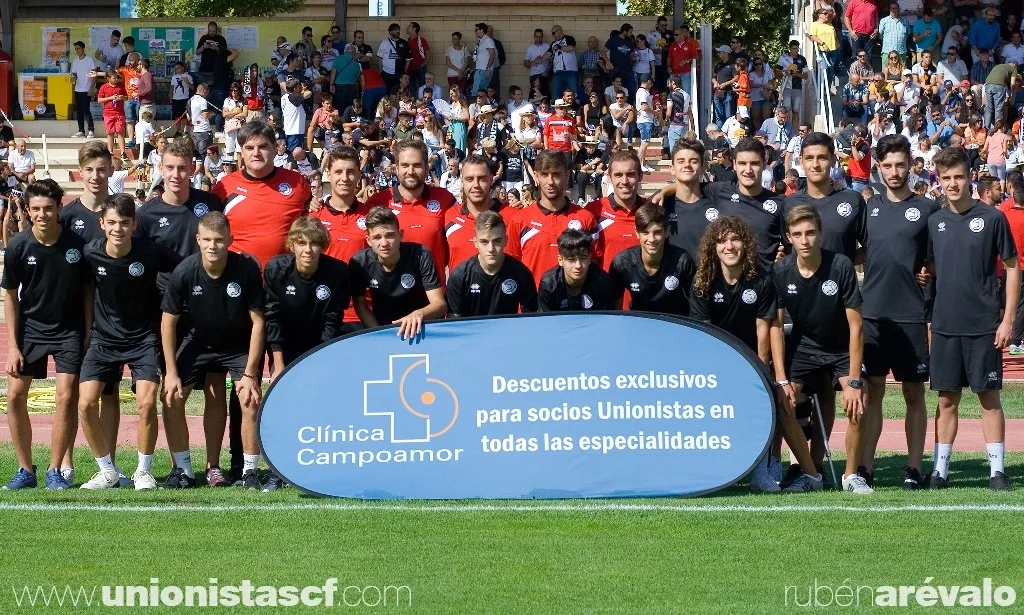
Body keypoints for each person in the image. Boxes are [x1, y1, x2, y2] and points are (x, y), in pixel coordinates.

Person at [690, 214, 822, 493]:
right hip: (717, 364)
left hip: (753, 363)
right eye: (722, 241)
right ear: (713, 248)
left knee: (774, 403)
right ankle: (713, 469)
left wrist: (761, 376)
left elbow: (765, 332)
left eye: (735, 239)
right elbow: (705, 338)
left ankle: (770, 469)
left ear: (745, 244)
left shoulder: (760, 281)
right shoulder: (702, 282)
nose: (729, 246)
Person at [925, 146, 1017, 490]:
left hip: (984, 325)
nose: (952, 183)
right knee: (946, 399)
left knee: (988, 397)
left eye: (958, 177)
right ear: (939, 179)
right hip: (946, 325)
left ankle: (997, 471)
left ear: (969, 178)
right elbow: (932, 267)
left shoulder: (993, 218)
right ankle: (940, 471)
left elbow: (1012, 267)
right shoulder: (935, 221)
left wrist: (1007, 319)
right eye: (946, 178)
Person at [77, 194, 180, 491]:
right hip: (103, 339)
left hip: (143, 339)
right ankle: (107, 471)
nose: (117, 229)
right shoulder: (90, 253)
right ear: (101, 224)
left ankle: (143, 472)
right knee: (84, 405)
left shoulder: (150, 253)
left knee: (147, 403)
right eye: (111, 223)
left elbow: (185, 271)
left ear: (134, 224)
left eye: (124, 222)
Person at [161, 212, 266, 490]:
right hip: (197, 343)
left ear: (230, 240)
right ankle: (182, 470)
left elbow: (258, 322)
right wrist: (171, 373)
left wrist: (251, 373)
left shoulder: (246, 269)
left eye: (219, 240)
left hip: (235, 344)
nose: (212, 246)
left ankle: (250, 471)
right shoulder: (184, 271)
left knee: (250, 397)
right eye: (206, 239)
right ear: (198, 239)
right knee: (171, 396)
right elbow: (168, 323)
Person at [857, 134, 938, 489]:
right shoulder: (869, 208)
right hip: (872, 314)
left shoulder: (927, 209)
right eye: (887, 165)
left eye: (900, 164)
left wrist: (927, 271)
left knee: (913, 393)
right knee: (873, 391)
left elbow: (938, 259)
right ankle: (866, 468)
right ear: (878, 167)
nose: (894, 171)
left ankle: (913, 468)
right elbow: (861, 253)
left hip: (910, 314)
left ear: (911, 165)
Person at [773, 205, 868, 494]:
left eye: (810, 233)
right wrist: (781, 379)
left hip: (841, 347)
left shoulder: (840, 265)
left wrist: (852, 381)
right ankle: (811, 475)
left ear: (820, 234)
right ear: (789, 237)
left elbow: (856, 326)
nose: (805, 240)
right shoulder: (780, 270)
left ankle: (851, 476)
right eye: (798, 234)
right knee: (784, 403)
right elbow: (776, 327)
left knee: (858, 402)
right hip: (804, 347)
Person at [0, 180, 88, 490]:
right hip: (30, 329)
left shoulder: (77, 246)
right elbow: (10, 296)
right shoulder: (18, 246)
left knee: (66, 397)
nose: (42, 214)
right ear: (27, 210)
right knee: (13, 396)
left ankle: (54, 470)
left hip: (69, 330)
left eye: (49, 208)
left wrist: (87, 333)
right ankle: (25, 470)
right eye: (36, 209)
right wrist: (13, 346)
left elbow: (88, 293)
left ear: (59, 208)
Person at [212, 121, 313, 269]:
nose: (256, 153)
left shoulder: (297, 182)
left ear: (274, 147)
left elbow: (312, 222)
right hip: (237, 279)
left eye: (263, 147)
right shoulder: (224, 187)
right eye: (249, 148)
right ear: (242, 152)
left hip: (285, 278)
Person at [349, 206, 447, 340]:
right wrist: (378, 333)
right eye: (377, 237)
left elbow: (439, 304)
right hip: (384, 329)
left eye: (390, 235)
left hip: (422, 327)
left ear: (400, 235)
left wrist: (418, 314)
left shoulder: (420, 254)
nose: (384, 243)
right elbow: (360, 304)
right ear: (368, 240)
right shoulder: (360, 262)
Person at [366, 140, 456, 284]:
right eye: (405, 165)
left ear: (427, 168)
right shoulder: (378, 202)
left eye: (417, 165)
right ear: (396, 168)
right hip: (391, 295)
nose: (411, 171)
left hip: (434, 296)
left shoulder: (445, 199)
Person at [509, 150, 600, 284]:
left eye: (556, 174)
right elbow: (512, 268)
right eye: (544, 174)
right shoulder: (519, 220)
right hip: (533, 303)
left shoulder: (586, 218)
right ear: (536, 176)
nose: (550, 182)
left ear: (567, 175)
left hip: (574, 304)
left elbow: (593, 265)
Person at [783, 131, 866, 261]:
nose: (815, 165)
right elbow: (785, 249)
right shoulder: (790, 203)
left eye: (822, 158)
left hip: (840, 281)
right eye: (809, 158)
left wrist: (844, 267)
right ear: (801, 161)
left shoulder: (853, 200)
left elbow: (871, 247)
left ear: (833, 160)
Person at [609, 203, 694, 317]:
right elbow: (614, 310)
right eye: (645, 233)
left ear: (667, 231)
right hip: (639, 324)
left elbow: (696, 307)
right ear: (637, 233)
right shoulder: (622, 263)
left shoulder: (682, 261)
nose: (651, 239)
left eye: (657, 232)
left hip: (675, 326)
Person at [446, 210, 537, 317]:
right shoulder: (460, 275)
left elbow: (530, 318)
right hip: (471, 333)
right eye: (484, 242)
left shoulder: (521, 274)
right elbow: (453, 322)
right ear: (475, 242)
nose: (491, 249)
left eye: (497, 241)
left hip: (507, 332)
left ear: (506, 241)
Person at [443, 155, 519, 274]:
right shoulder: (450, 216)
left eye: (482, 179)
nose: (476, 185)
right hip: (460, 291)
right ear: (462, 182)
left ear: (491, 180)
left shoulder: (513, 216)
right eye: (469, 179)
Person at [587, 150, 646, 267]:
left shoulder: (650, 210)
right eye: (618, 175)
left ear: (640, 176)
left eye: (630, 174)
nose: (624, 181)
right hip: (605, 285)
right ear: (610, 178)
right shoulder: (593, 211)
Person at [538, 229, 616, 311]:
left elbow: (605, 320)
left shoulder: (602, 281)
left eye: (583, 258)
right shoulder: (549, 284)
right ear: (560, 260)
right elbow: (546, 321)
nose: (578, 266)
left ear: (590, 258)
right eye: (571, 260)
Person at [71, 41, 97, 138]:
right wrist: (73, 79)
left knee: (86, 109)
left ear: (83, 49)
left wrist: (92, 88)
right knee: (79, 111)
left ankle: (91, 130)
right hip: (78, 89)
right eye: (76, 49)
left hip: (87, 89)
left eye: (78, 48)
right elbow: (74, 74)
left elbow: (94, 75)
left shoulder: (89, 60)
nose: (77, 51)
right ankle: (81, 130)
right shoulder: (75, 61)